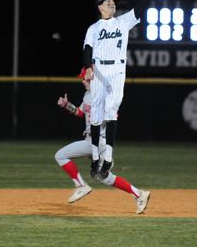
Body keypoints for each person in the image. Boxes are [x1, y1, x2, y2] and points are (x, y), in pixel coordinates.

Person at [82, 0, 160, 180]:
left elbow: (145, 5)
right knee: (96, 117)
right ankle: (97, 157)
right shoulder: (93, 29)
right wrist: (88, 68)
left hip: (117, 69)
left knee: (110, 111)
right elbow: (87, 50)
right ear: (100, 7)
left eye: (113, 2)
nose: (112, 4)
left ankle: (108, 158)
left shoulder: (123, 22)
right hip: (98, 70)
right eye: (108, 2)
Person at [54, 68, 151, 214]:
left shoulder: (104, 97)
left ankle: (81, 185)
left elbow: (113, 117)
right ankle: (139, 194)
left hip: (97, 142)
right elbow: (81, 113)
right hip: (94, 142)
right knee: (104, 177)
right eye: (82, 78)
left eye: (85, 79)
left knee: (60, 155)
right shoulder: (87, 95)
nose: (82, 81)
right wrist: (67, 105)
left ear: (94, 80)